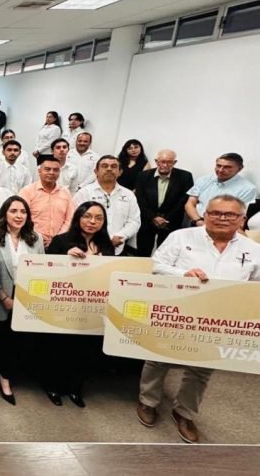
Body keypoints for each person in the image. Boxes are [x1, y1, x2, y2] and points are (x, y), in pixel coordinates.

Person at [135, 195, 260, 443]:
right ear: (205, 214)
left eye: (230, 214)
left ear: (242, 219)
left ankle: (185, 413)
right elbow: (155, 266)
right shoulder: (181, 237)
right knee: (158, 358)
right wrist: (183, 273)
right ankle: (148, 401)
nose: (221, 218)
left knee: (201, 369)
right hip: (177, 312)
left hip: (219, 319)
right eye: (215, 213)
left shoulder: (254, 250)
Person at [42, 201, 115, 408]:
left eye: (98, 218)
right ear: (78, 217)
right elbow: (46, 270)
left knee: (86, 350)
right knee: (59, 348)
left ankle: (75, 388)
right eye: (87, 216)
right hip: (64, 305)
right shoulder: (61, 241)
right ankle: (53, 386)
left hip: (93, 307)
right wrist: (65, 258)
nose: (92, 222)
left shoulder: (106, 245)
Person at [0, 196, 44, 406]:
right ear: (4, 214)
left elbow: (41, 270)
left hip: (25, 297)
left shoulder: (36, 238)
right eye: (14, 211)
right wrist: (3, 296)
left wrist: (27, 298)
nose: (19, 216)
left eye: (23, 212)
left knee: (15, 342)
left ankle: (5, 378)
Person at [73, 155, 142, 255]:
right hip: (88, 249)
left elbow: (134, 221)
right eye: (104, 166)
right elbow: (75, 219)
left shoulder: (128, 195)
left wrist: (121, 236)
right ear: (96, 171)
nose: (109, 169)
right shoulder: (84, 193)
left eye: (114, 166)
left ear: (120, 172)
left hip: (117, 248)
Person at [134, 149, 194, 256]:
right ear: (156, 161)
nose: (165, 165)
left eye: (169, 162)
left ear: (174, 162)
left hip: (171, 221)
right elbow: (140, 199)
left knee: (166, 254)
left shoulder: (185, 177)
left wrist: (166, 218)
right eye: (162, 161)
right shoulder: (143, 176)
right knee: (143, 251)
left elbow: (183, 200)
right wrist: (153, 217)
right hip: (147, 220)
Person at [185, 153, 257, 226]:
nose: (220, 170)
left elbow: (240, 215)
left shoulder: (248, 189)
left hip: (222, 224)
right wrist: (198, 221)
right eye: (218, 165)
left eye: (227, 167)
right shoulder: (204, 180)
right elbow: (190, 203)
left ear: (239, 169)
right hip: (195, 219)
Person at [19, 157, 74, 246]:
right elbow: (21, 217)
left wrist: (57, 239)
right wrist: (38, 238)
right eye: (47, 169)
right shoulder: (27, 191)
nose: (51, 172)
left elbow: (70, 219)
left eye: (56, 170)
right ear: (39, 171)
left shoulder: (65, 193)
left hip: (60, 243)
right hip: (32, 241)